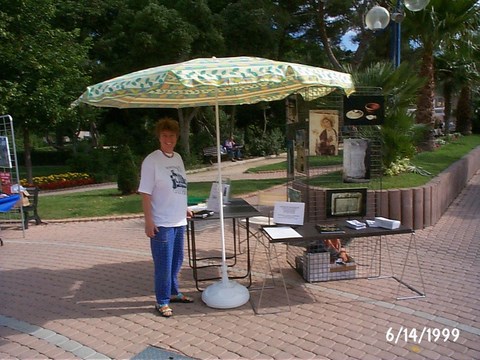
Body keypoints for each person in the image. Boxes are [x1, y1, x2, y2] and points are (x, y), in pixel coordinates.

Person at [138, 117, 194, 318]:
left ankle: (172, 292)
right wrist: (149, 221)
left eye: (171, 136)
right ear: (159, 137)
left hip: (178, 220)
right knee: (163, 264)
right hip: (161, 222)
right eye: (164, 136)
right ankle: (161, 301)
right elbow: (146, 192)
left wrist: (185, 207)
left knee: (177, 260)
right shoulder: (152, 161)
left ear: (177, 138)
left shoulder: (177, 158)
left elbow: (179, 186)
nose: (168, 139)